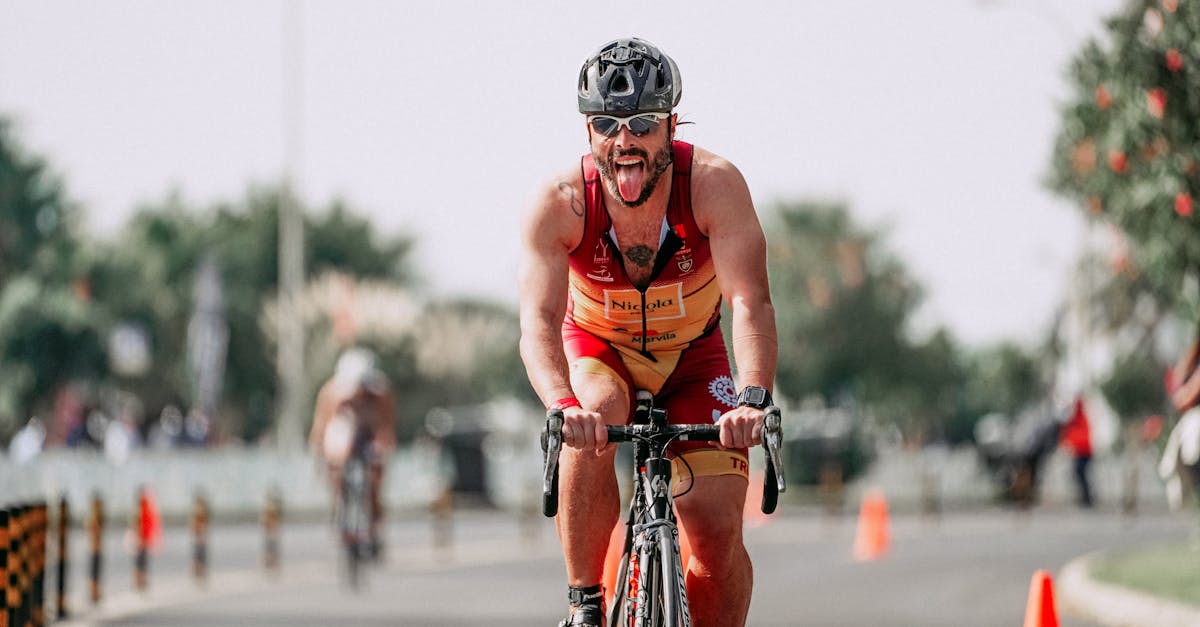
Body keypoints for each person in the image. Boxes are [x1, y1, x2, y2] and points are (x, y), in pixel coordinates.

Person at [518, 37, 777, 627]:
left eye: (641, 123)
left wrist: (753, 397)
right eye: (606, 125)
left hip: (693, 358)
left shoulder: (712, 185)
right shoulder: (561, 204)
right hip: (599, 351)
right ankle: (586, 604)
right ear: (588, 132)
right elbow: (537, 322)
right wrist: (561, 403)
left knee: (716, 540)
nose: (624, 140)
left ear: (671, 125)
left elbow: (749, 300)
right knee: (595, 412)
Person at [309, 347, 397, 554]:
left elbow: (385, 427)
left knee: (374, 479)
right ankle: (341, 510)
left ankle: (373, 525)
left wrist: (382, 449)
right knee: (337, 473)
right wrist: (320, 453)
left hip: (369, 436)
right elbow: (322, 428)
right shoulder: (331, 393)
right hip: (343, 435)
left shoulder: (380, 394)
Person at [1059, 396, 1094, 508]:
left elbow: (1080, 435)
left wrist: (1070, 442)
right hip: (1081, 452)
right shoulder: (1075, 419)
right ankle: (1085, 498)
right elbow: (1068, 433)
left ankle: (1087, 498)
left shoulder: (1081, 419)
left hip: (1084, 452)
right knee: (1079, 473)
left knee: (1081, 473)